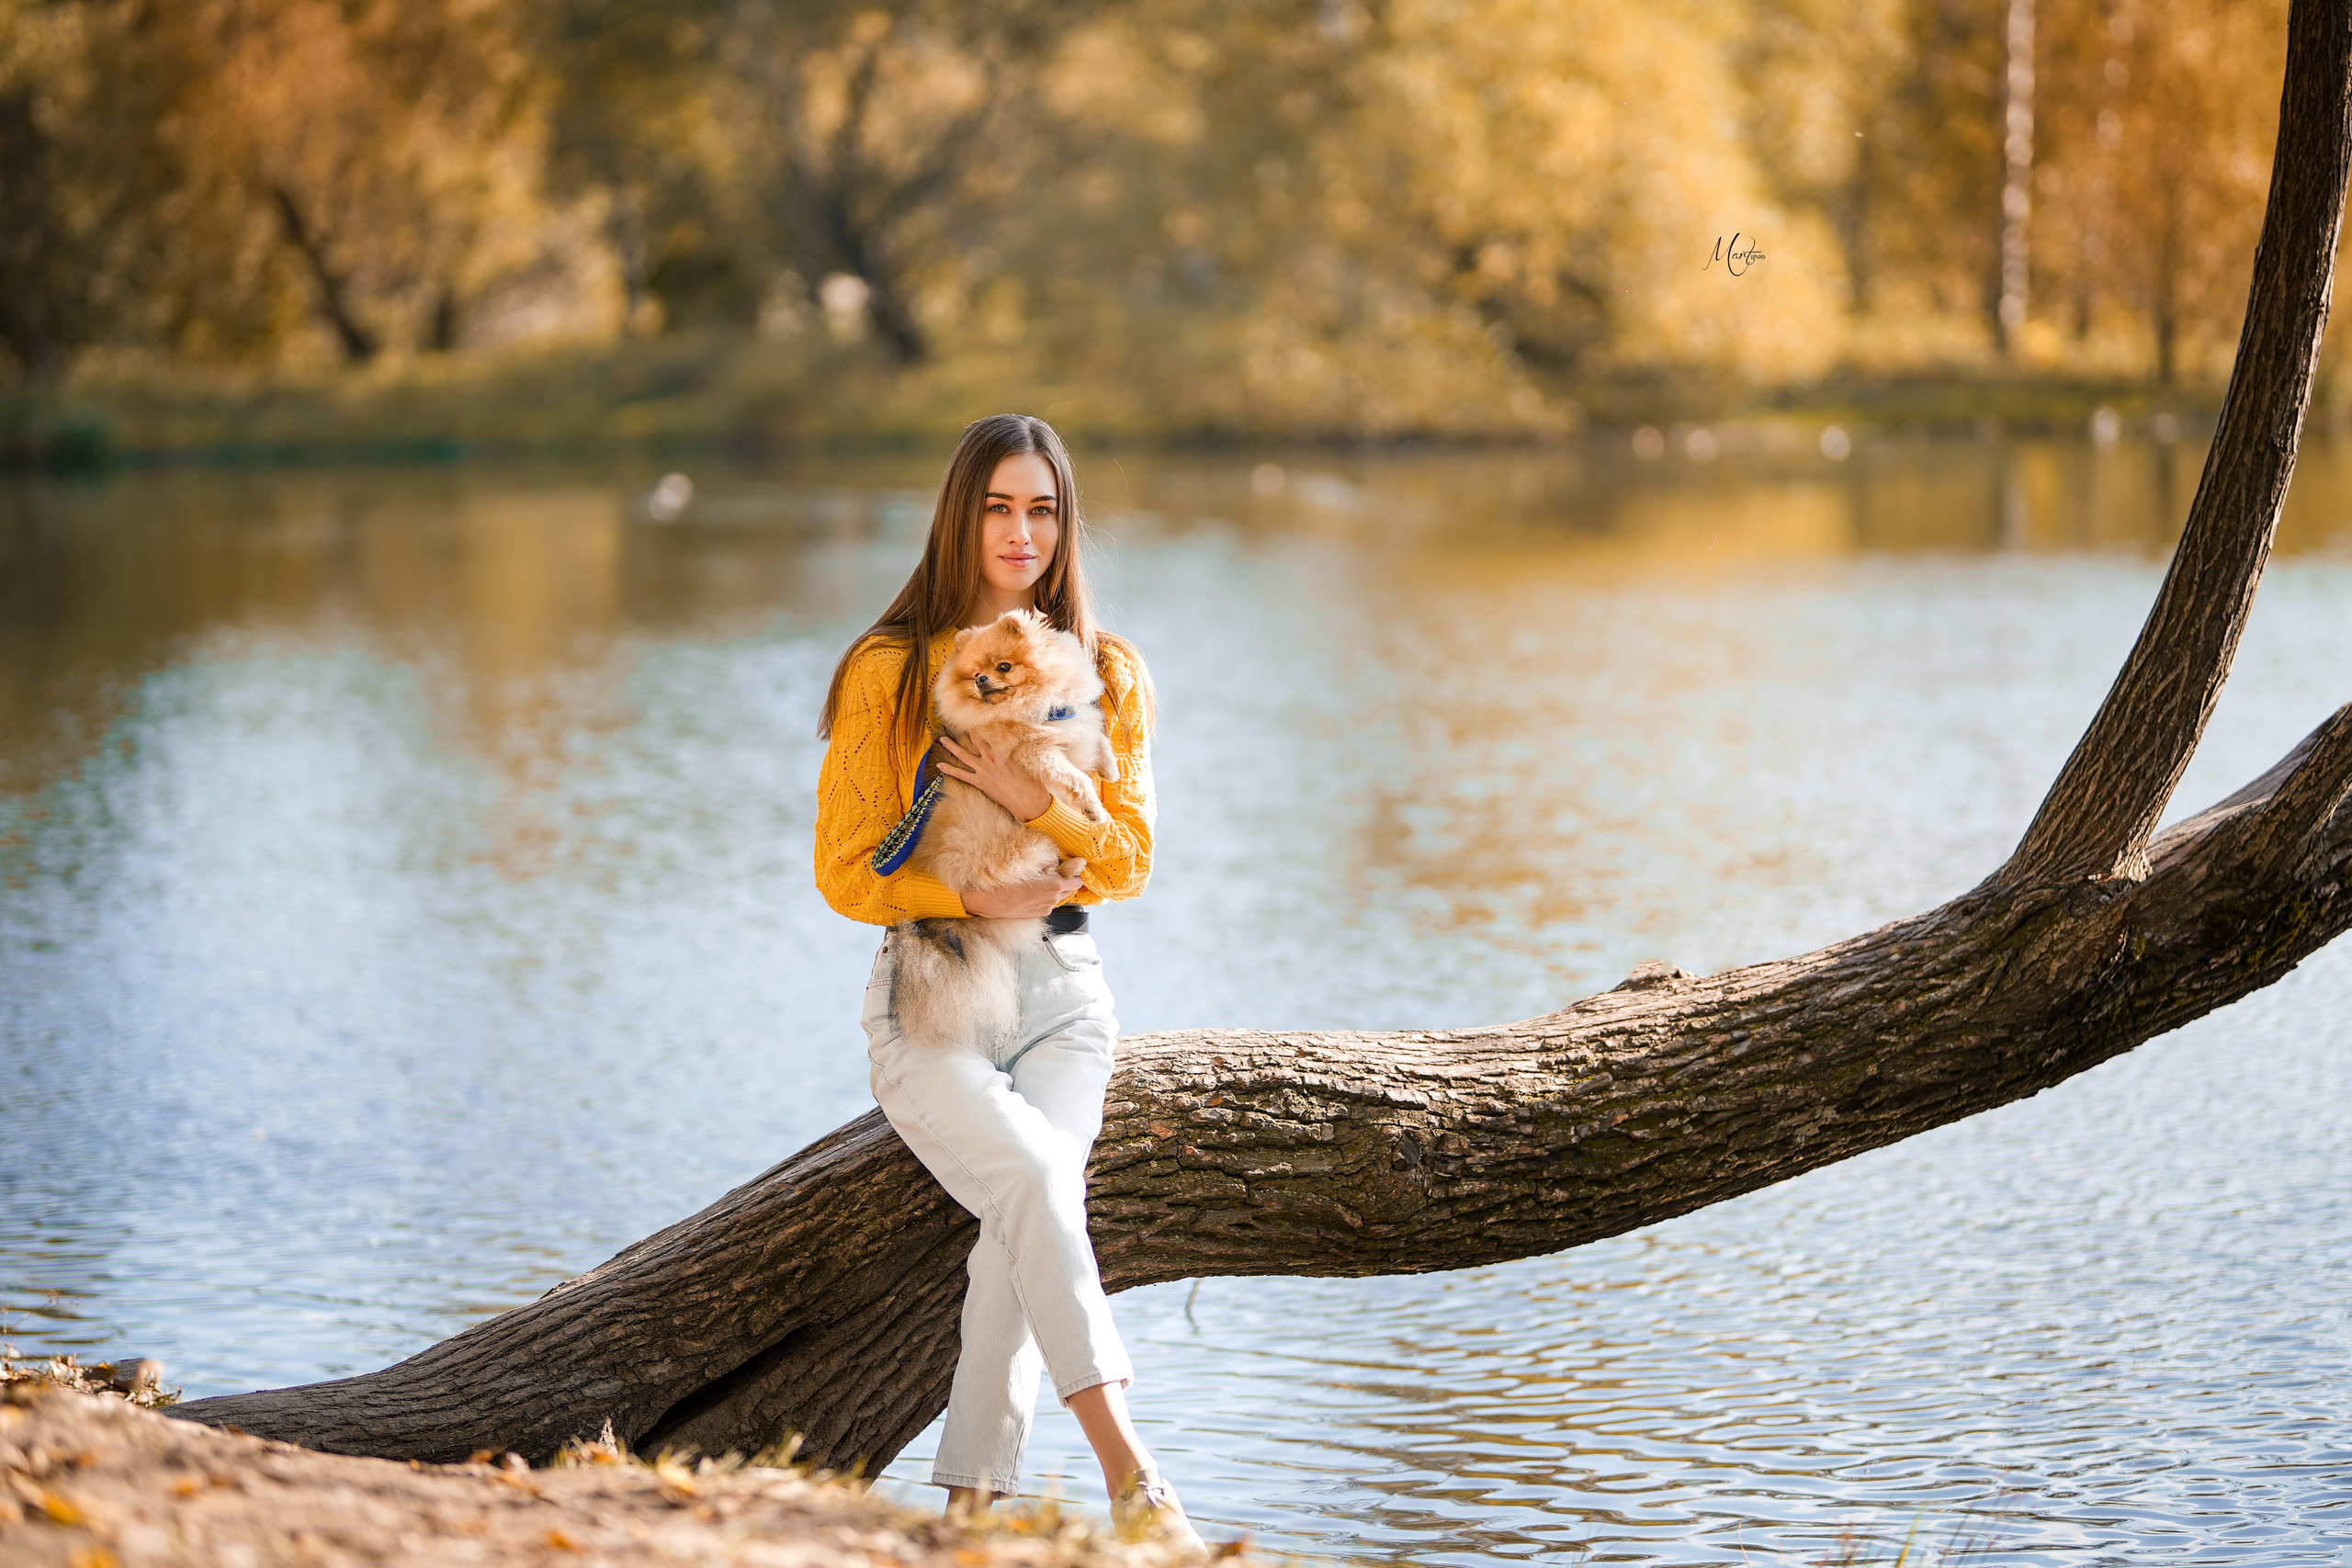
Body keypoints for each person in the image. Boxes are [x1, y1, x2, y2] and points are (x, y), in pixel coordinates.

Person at [813, 413, 1202, 1554]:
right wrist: (972, 898)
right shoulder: (890, 669)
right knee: (1035, 1180)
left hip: (1065, 996)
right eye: (997, 508)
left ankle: (969, 1524)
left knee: (1022, 1221)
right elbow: (844, 870)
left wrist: (1040, 805)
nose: (1021, 532)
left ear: (1065, 524)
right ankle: (1133, 1477)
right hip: (934, 992)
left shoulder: (1107, 669)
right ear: (960, 518)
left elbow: (1126, 861)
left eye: (1041, 509)